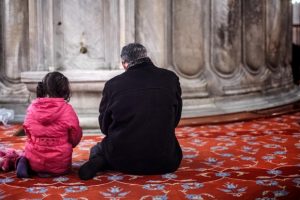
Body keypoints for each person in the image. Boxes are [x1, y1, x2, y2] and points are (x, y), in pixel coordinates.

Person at [79, 43, 182, 180]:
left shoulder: (113, 85)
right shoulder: (170, 78)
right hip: (166, 160)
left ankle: (101, 160)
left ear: (124, 63)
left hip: (124, 161)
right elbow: (175, 118)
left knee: (98, 149)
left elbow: (105, 127)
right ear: (146, 57)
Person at [16, 71, 82, 178]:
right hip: (61, 165)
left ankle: (24, 162)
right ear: (64, 89)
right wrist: (67, 144)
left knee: (29, 147)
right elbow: (75, 136)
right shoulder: (67, 109)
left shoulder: (32, 108)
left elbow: (28, 132)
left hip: (35, 163)